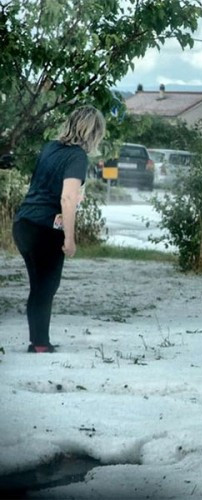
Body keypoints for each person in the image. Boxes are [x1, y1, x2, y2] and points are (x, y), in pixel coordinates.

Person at [13, 105, 106, 353]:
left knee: (40, 285)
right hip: (44, 228)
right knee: (46, 286)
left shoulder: (50, 148)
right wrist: (70, 238)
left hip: (23, 223)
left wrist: (73, 197)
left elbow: (46, 188)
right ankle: (41, 344)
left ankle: (39, 341)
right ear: (93, 132)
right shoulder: (77, 156)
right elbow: (66, 199)